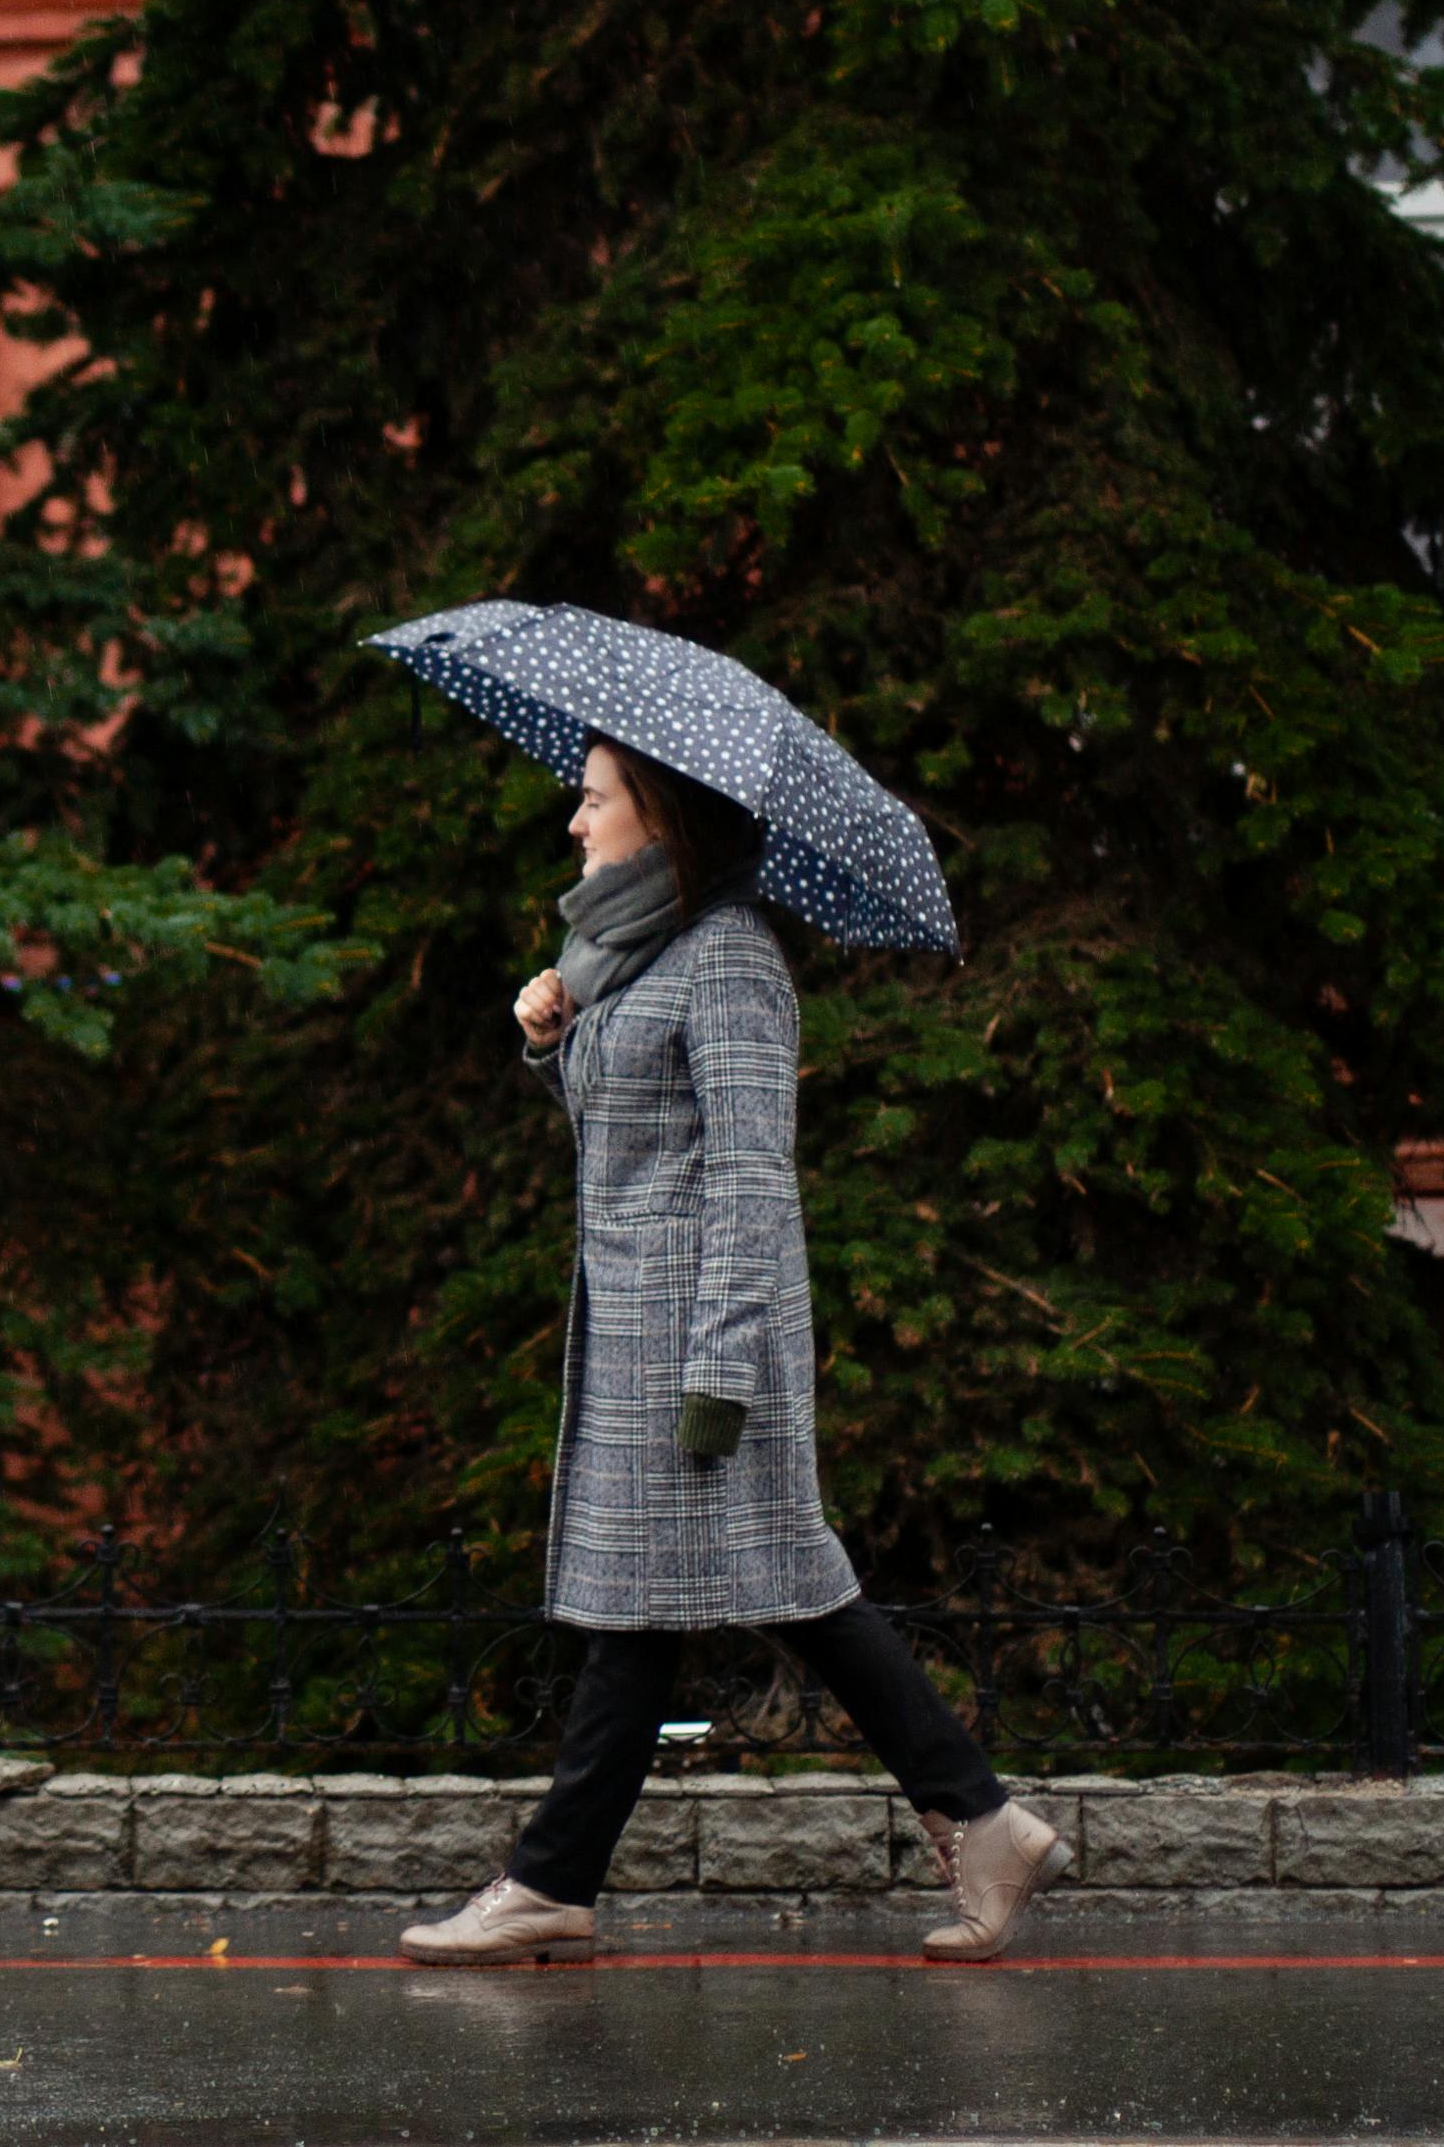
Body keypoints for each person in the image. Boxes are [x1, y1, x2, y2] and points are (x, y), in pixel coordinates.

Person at [399, 731, 1071, 1967]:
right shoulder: (627, 956)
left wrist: (721, 1367)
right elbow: (633, 1141)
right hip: (641, 1339)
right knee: (743, 1601)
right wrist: (551, 1043)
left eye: (593, 800)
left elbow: (754, 1182)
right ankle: (982, 1821)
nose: (573, 822)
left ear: (657, 816)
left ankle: (552, 1881)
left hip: (701, 1349)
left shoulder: (731, 960)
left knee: (687, 1609)